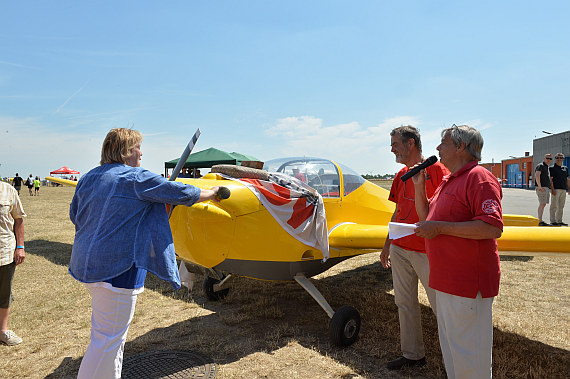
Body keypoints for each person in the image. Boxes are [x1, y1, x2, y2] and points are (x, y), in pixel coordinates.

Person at [70, 128, 223, 379]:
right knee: (107, 341)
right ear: (125, 151)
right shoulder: (135, 178)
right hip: (118, 272)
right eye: (137, 147)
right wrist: (213, 193)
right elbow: (181, 193)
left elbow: (75, 215)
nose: (141, 152)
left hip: (89, 267)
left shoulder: (88, 178)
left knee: (108, 338)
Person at [412, 125, 503, 378]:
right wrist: (419, 186)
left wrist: (440, 227)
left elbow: (491, 226)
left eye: (443, 143)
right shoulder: (449, 180)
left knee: (469, 358)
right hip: (445, 282)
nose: (438, 148)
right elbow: (426, 218)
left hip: (466, 284)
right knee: (453, 353)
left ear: (461, 147)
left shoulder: (479, 178)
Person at [380, 125, 449, 370]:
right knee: (404, 302)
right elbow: (397, 210)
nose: (392, 150)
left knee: (441, 307)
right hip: (400, 249)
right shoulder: (400, 176)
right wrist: (387, 244)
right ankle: (413, 355)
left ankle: (452, 363)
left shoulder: (439, 170)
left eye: (395, 144)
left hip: (427, 251)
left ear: (411, 144)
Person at [0, 181, 26, 346]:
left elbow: (18, 220)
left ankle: (3, 331)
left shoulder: (8, 190)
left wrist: (20, 247)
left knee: (4, 293)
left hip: (4, 251)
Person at [549, 153, 570, 226]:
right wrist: (552, 189)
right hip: (556, 189)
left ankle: (559, 221)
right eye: (558, 157)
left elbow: (567, 179)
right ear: (555, 158)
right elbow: (551, 180)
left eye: (561, 157)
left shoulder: (565, 168)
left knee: (561, 206)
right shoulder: (552, 168)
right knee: (554, 205)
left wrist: (569, 189)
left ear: (563, 159)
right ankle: (552, 221)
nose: (559, 159)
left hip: (563, 189)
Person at [535, 154, 552, 226]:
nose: (548, 159)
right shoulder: (541, 165)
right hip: (542, 188)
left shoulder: (546, 167)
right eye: (547, 158)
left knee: (543, 204)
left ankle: (540, 220)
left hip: (546, 188)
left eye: (550, 158)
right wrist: (540, 187)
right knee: (542, 204)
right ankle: (540, 221)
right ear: (544, 158)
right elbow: (537, 175)